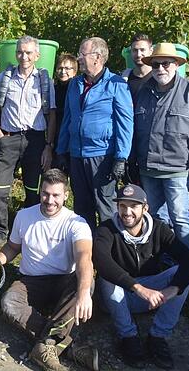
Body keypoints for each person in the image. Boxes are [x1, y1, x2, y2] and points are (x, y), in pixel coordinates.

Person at [0, 169, 97, 371]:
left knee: (86, 283)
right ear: (40, 191)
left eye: (55, 195)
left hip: (65, 280)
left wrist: (83, 294)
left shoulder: (76, 223)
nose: (50, 200)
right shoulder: (24, 216)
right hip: (31, 281)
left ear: (66, 195)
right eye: (45, 194)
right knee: (10, 302)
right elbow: (12, 248)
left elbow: (84, 257)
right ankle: (66, 345)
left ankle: (46, 346)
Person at [93, 184, 189, 369]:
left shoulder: (159, 229)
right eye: (122, 206)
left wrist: (171, 290)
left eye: (133, 206)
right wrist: (137, 288)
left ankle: (158, 336)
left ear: (145, 208)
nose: (127, 212)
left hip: (151, 297)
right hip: (118, 297)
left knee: (181, 275)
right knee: (107, 278)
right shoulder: (106, 229)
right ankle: (129, 337)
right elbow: (101, 262)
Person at [133, 43, 189, 253]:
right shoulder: (142, 92)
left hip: (177, 170)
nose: (160, 69)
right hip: (148, 169)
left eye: (166, 64)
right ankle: (164, 261)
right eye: (156, 65)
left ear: (177, 65)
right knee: (155, 219)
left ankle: (188, 266)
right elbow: (134, 130)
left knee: (180, 218)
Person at [56, 37, 133, 230]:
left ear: (97, 57)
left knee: (105, 206)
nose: (79, 58)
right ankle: (86, 250)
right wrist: (61, 150)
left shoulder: (116, 84)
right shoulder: (75, 84)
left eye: (82, 54)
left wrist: (121, 157)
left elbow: (125, 122)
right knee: (82, 207)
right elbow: (68, 119)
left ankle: (110, 251)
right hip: (76, 155)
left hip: (102, 156)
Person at [0, 36, 56, 246]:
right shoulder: (4, 78)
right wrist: (0, 137)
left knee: (33, 190)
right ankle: (0, 232)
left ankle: (28, 232)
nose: (23, 56)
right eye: (20, 52)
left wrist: (48, 145)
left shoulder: (45, 81)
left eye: (28, 52)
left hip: (34, 140)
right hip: (9, 138)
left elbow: (52, 114)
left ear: (37, 55)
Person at [53, 53, 77, 150]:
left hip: (72, 136)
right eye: (60, 68)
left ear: (74, 71)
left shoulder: (78, 89)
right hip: (56, 133)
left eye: (67, 68)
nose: (63, 71)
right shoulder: (52, 89)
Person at [121, 33, 153, 98]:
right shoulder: (124, 79)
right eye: (135, 50)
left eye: (142, 50)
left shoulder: (158, 77)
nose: (138, 54)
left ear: (151, 51)